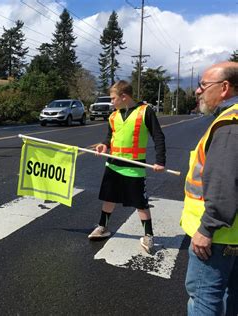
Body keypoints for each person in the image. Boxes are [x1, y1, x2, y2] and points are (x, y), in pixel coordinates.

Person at [181, 61, 237, 315]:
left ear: (224, 88)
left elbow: (224, 185)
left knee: (204, 299)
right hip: (231, 235)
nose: (198, 90)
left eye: (204, 84)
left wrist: (207, 228)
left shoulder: (228, 126)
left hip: (218, 238)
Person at [88, 80, 165, 254]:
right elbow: (110, 136)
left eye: (113, 98)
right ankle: (103, 227)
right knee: (109, 198)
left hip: (134, 166)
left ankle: (148, 235)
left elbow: (158, 137)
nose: (111, 101)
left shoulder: (145, 111)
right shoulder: (114, 115)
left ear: (124, 97)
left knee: (140, 202)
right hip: (113, 163)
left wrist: (160, 161)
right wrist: (104, 145)